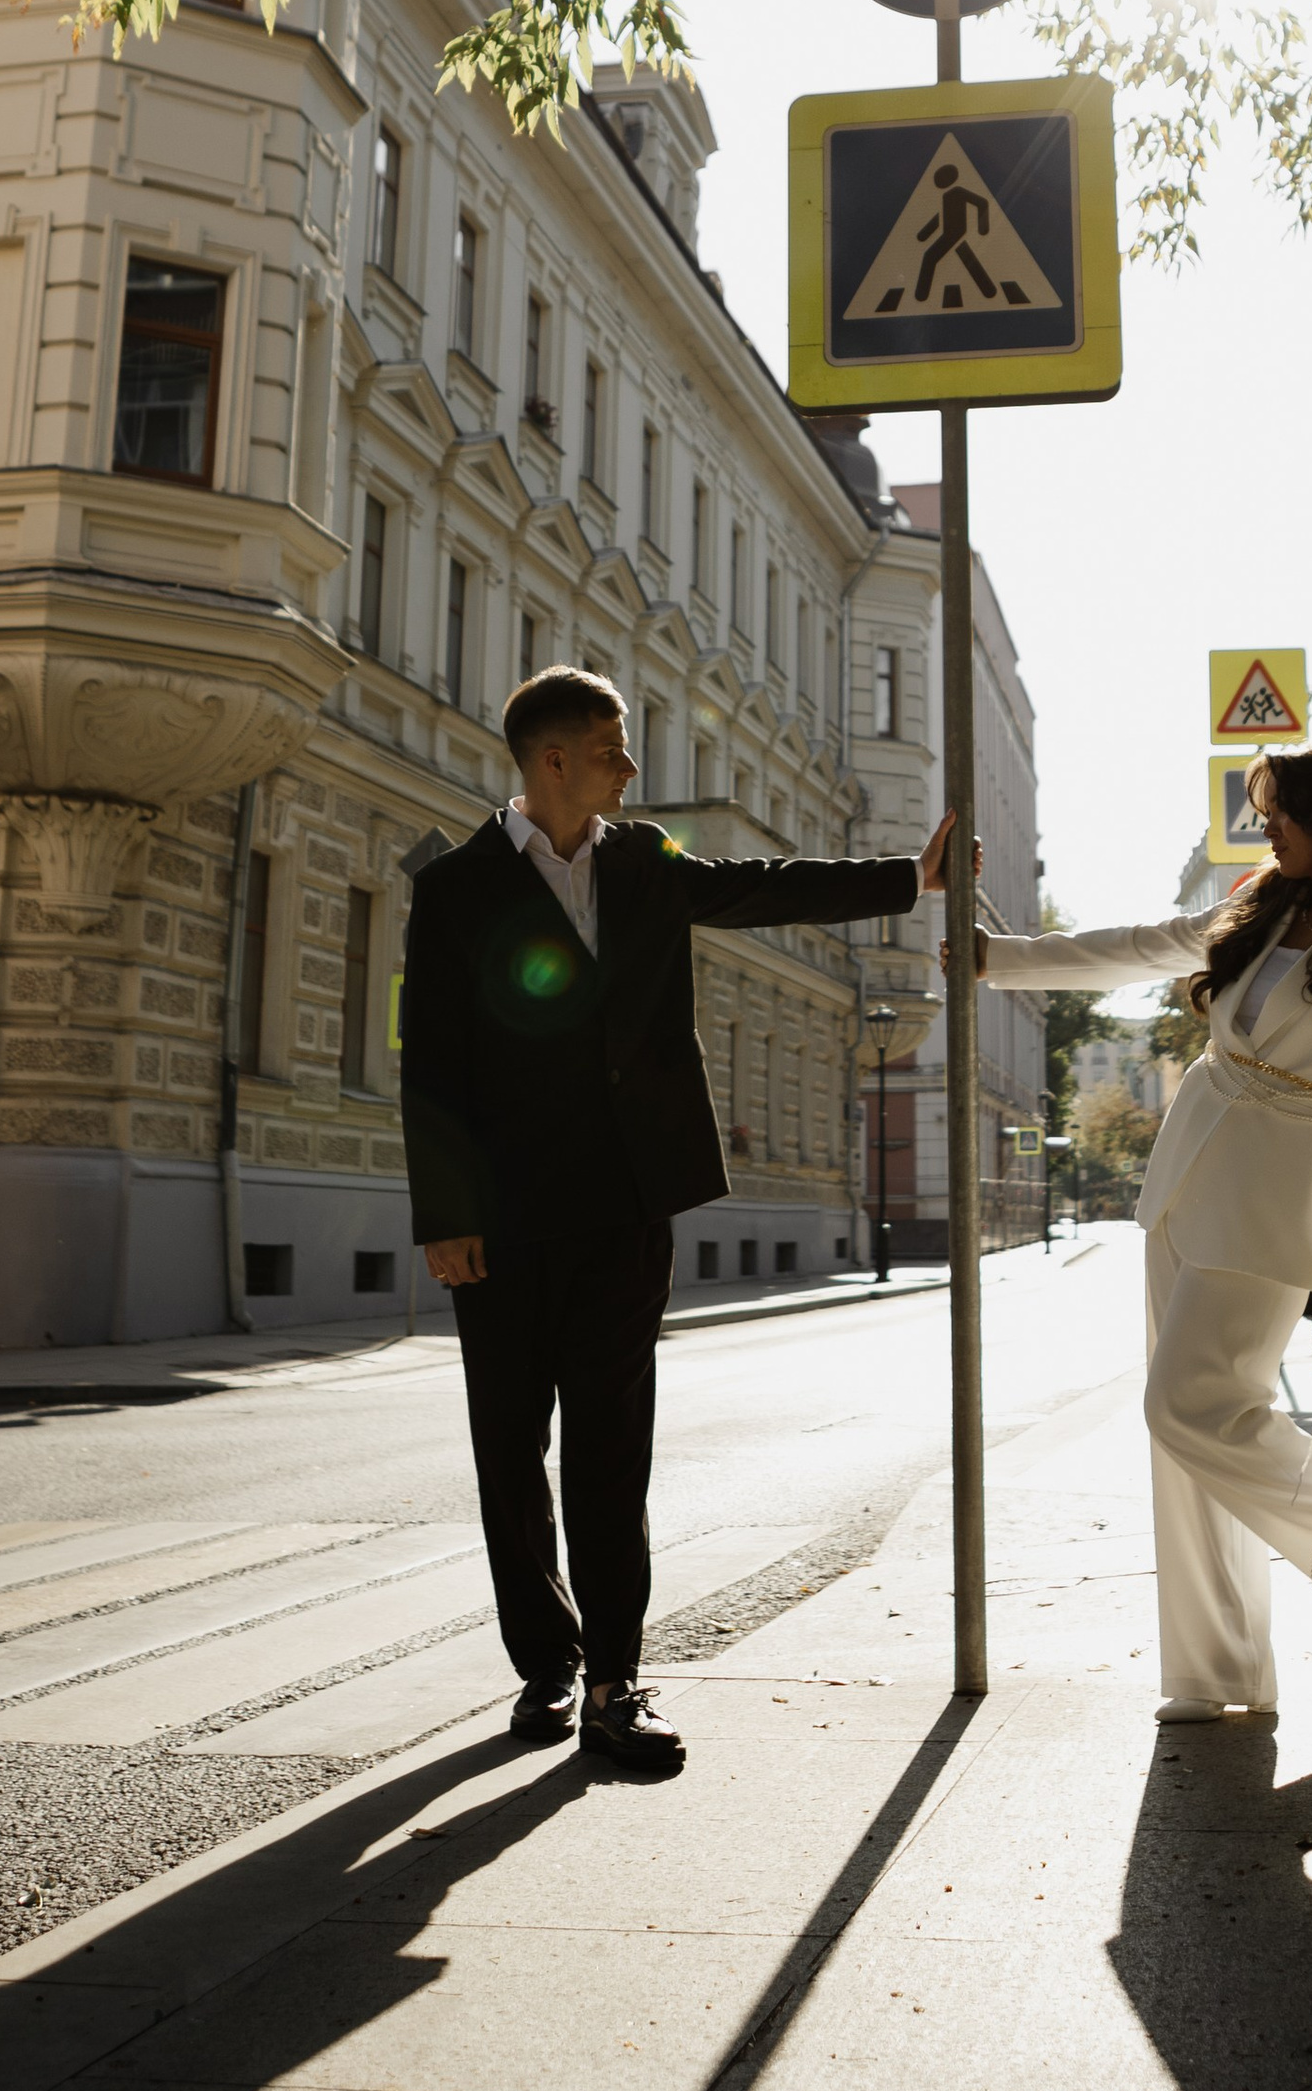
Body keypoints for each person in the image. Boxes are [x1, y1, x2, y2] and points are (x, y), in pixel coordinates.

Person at [400, 666, 957, 1774]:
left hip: (622, 1207)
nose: (629, 764)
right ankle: (545, 1666)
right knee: (510, 1452)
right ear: (554, 758)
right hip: (502, 1221)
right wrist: (445, 1215)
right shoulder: (457, 886)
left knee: (612, 1451)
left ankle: (615, 1681)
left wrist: (911, 877)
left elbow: (760, 888)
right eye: (612, 746)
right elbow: (433, 1062)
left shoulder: (644, 861)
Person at [969, 739, 1312, 1727]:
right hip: (1182, 1178)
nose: (1266, 829)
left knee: (1189, 1406)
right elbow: (1140, 944)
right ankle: (1216, 1669)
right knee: (1184, 1440)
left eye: (1280, 813)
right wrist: (995, 960)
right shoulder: (1262, 903)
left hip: (1278, 1192)